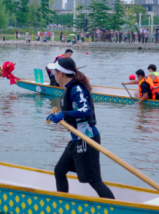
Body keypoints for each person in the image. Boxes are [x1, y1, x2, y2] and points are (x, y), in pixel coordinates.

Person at [45, 56, 115, 199]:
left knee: (94, 180)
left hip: (87, 139)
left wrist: (63, 114)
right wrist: (59, 115)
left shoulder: (76, 88)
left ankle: (113, 209)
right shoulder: (68, 89)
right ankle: (63, 204)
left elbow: (86, 110)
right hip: (77, 139)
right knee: (59, 170)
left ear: (61, 74)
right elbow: (73, 112)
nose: (52, 75)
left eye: (54, 72)